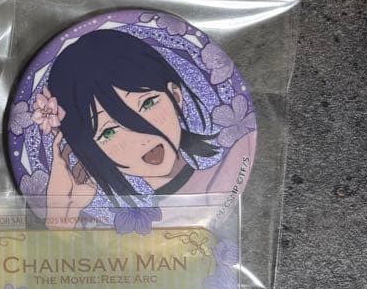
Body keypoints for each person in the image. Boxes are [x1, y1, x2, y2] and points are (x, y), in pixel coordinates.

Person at [41, 28, 255, 228]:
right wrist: (62, 209)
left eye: (147, 103)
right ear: (90, 148)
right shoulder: (121, 229)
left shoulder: (237, 159)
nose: (141, 136)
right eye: (109, 131)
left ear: (175, 96)